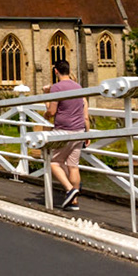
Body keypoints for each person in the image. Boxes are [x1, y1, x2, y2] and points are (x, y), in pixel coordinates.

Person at [45, 66, 89, 211]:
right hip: (79, 131)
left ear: (56, 71)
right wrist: (87, 133)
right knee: (73, 166)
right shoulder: (78, 87)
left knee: (53, 162)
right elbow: (85, 115)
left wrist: (46, 98)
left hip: (63, 131)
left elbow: (52, 111)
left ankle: (70, 189)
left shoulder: (57, 88)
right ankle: (74, 202)